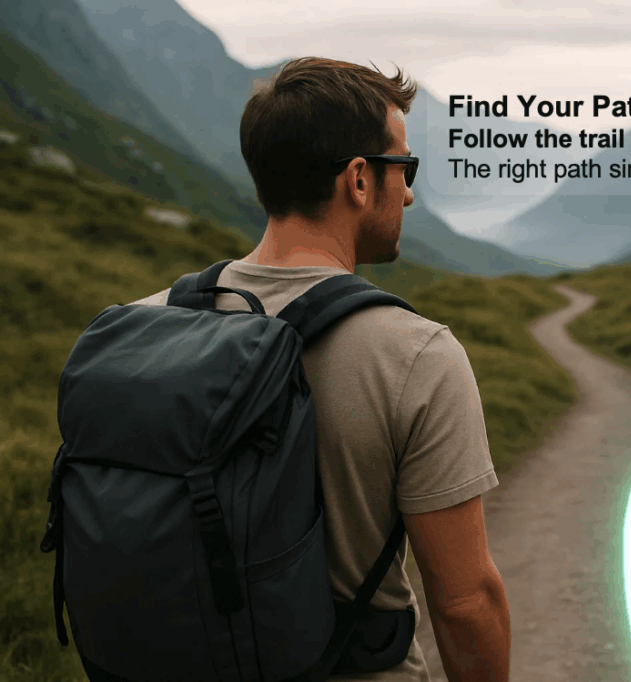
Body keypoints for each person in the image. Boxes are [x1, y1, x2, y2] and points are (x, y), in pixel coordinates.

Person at [127, 57, 511, 682]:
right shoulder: (417, 356)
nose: (409, 191)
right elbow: (466, 603)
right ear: (359, 180)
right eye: (403, 168)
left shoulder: (145, 326)